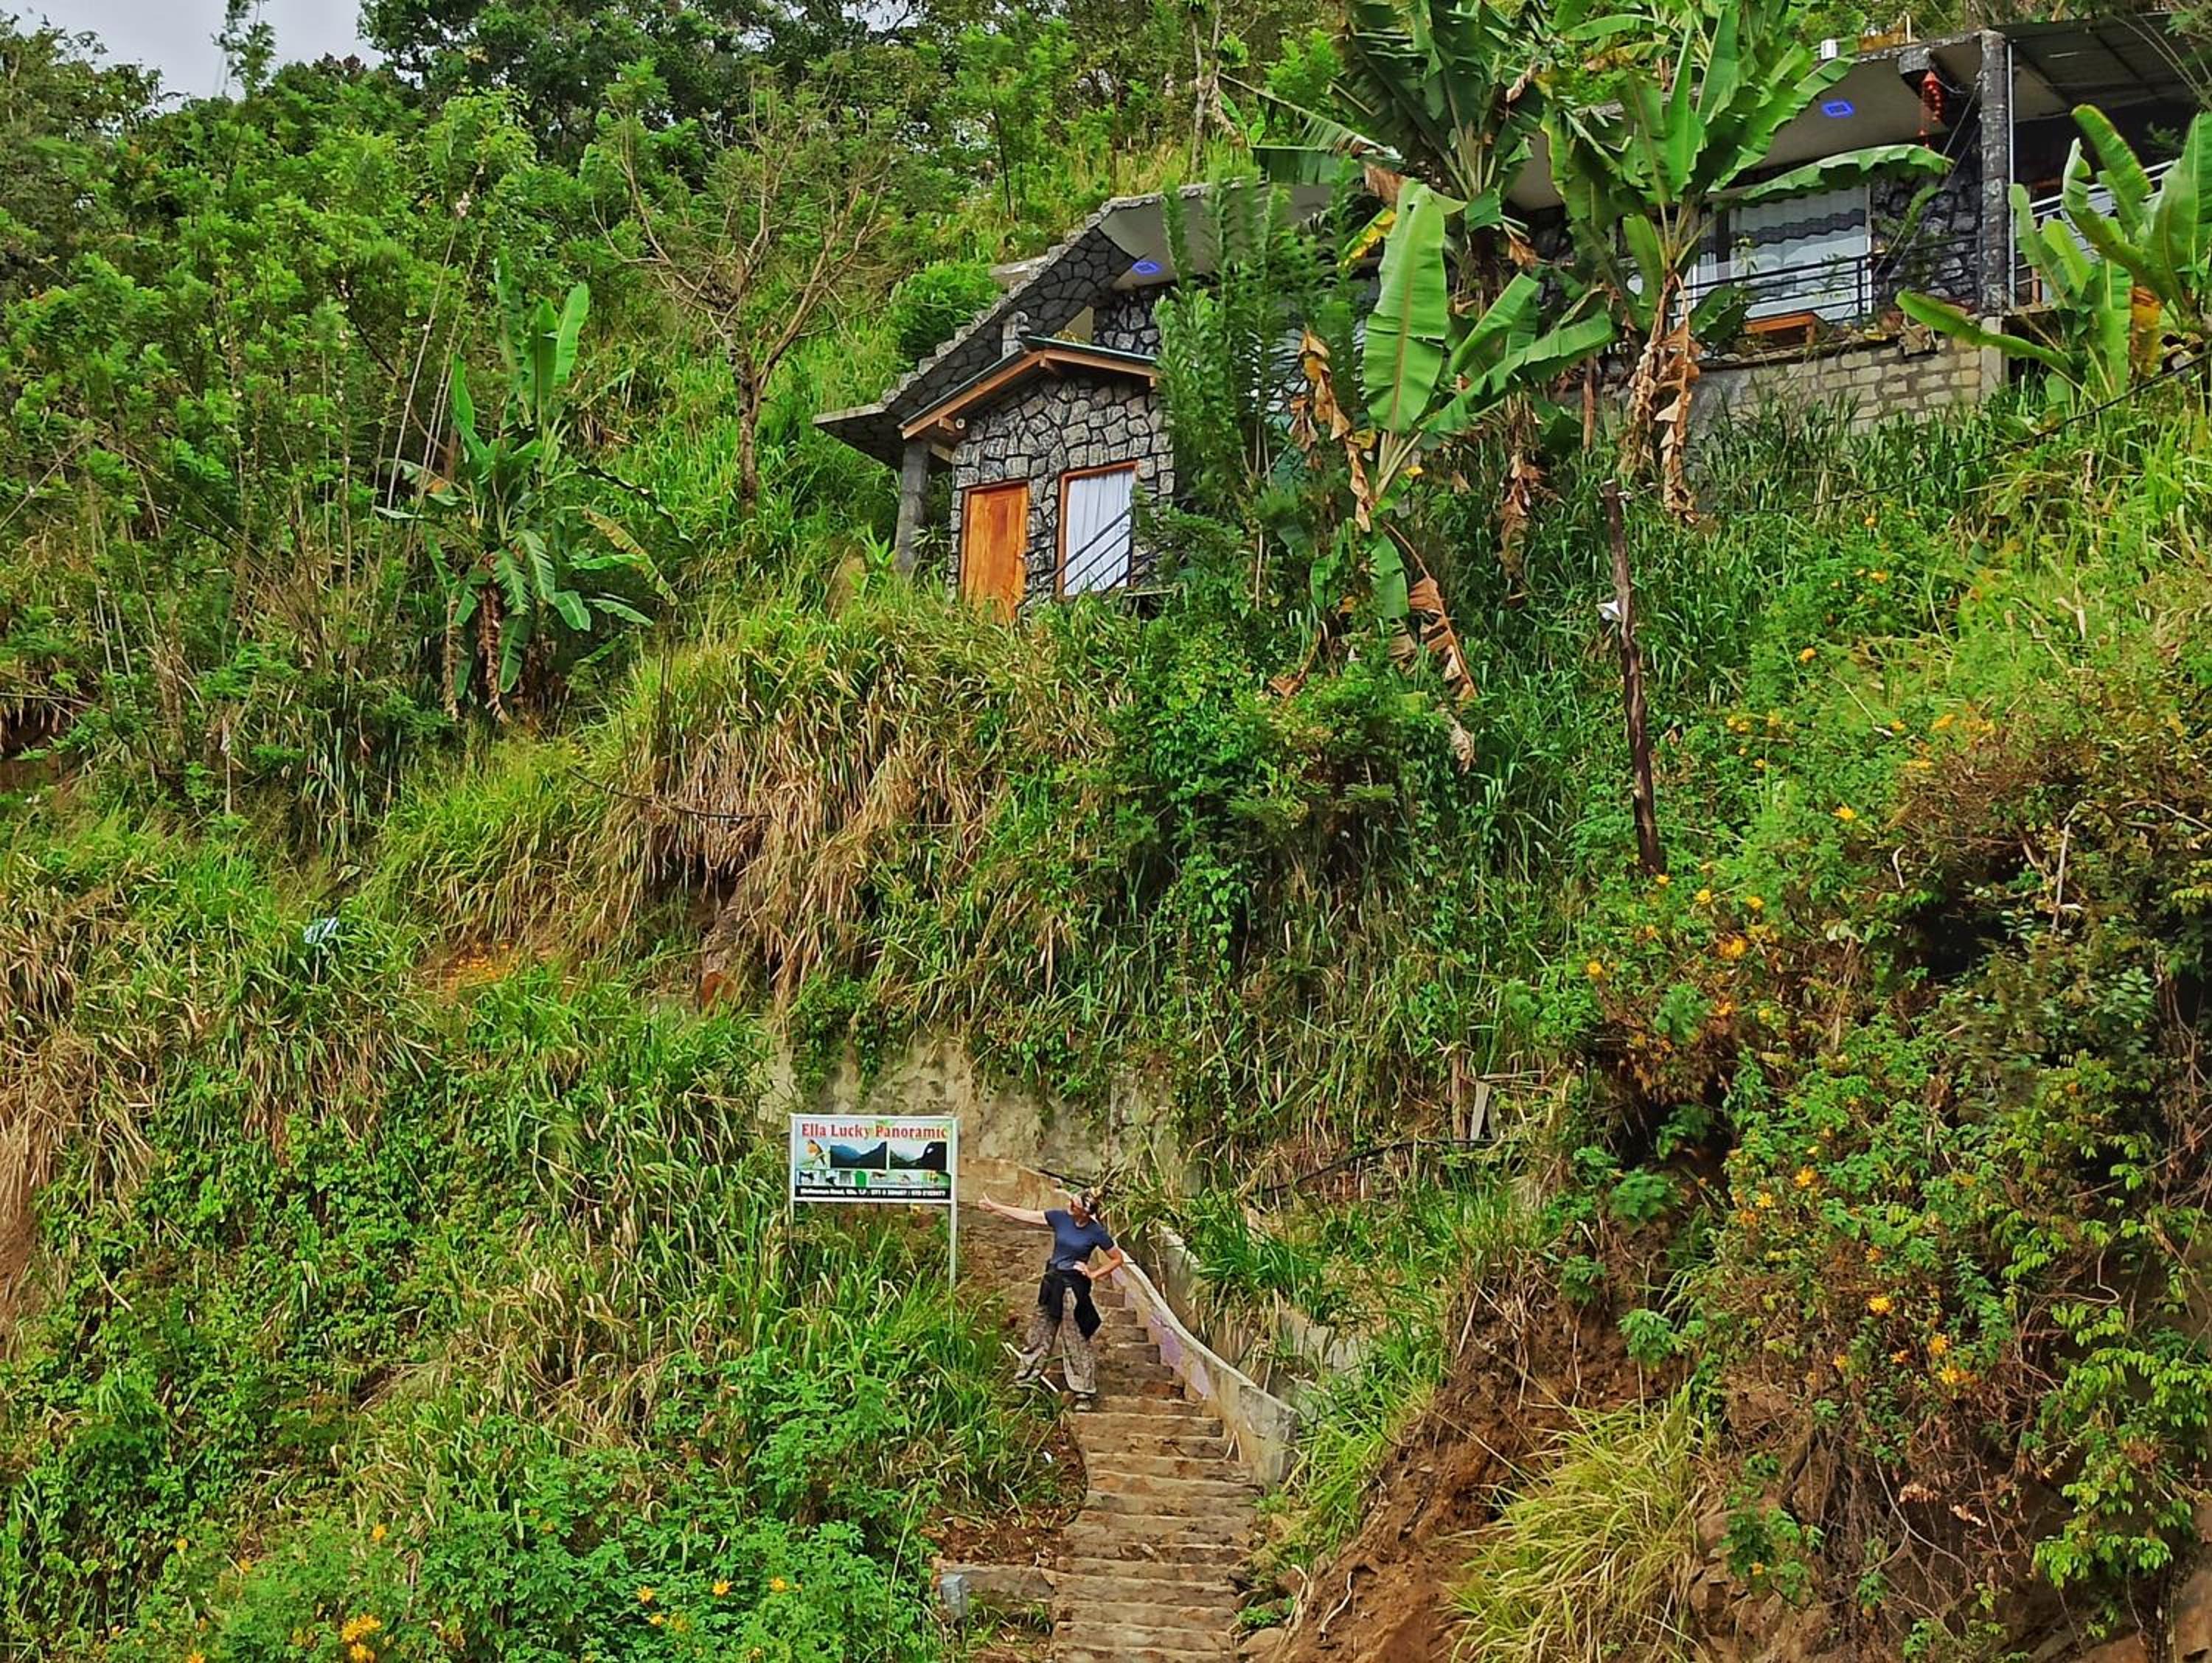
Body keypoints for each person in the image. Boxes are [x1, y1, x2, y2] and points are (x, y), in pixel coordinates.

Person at [978, 1188, 1126, 1410]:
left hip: (1074, 1288)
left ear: (1085, 1212)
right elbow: (1029, 1215)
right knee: (1039, 1333)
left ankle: (1083, 1392)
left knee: (1076, 1338)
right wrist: (995, 1207)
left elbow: (1117, 1258)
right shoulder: (1060, 1218)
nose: (1069, 1205)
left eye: (1074, 1204)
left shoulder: (1096, 1232)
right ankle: (1024, 1382)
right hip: (1052, 1281)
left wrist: (1093, 1274)